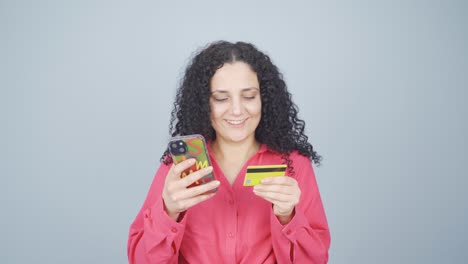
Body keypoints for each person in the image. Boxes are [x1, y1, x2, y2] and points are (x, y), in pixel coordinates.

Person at [127, 41, 330, 263]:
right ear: (204, 103)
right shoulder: (179, 168)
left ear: (265, 99)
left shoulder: (294, 164)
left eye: (249, 96)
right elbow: (140, 259)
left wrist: (288, 217)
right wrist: (168, 212)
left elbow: (316, 259)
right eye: (221, 98)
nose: (236, 110)